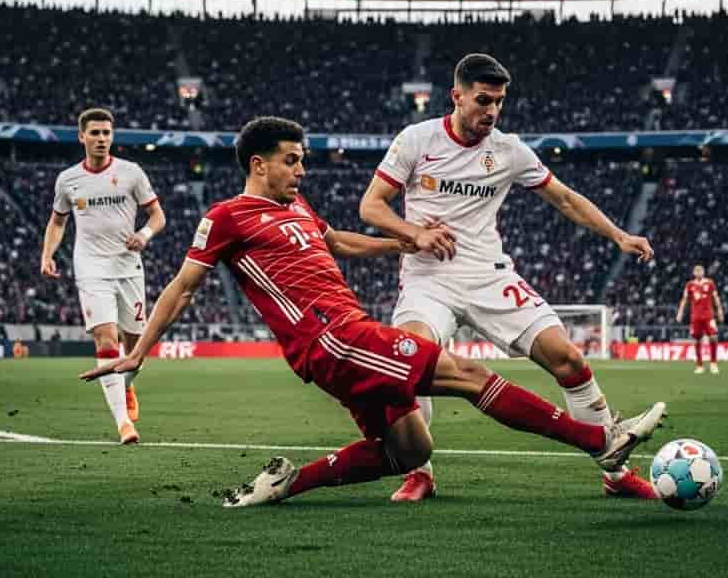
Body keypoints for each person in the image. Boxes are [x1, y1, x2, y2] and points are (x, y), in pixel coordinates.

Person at [82, 117, 667, 508]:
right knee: (467, 374)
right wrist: (139, 352)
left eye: (303, 160)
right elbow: (182, 288)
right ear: (259, 164)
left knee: (410, 450)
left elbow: (339, 242)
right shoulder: (228, 216)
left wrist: (403, 241)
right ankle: (599, 443)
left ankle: (288, 482)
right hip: (330, 338)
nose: (302, 170)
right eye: (292, 161)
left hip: (345, 337)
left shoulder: (300, 206)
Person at [358, 54, 660, 502]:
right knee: (412, 363)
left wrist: (618, 235)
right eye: (483, 100)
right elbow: (372, 206)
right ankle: (419, 471)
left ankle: (615, 471)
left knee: (569, 360)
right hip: (428, 281)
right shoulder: (416, 140)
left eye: (499, 102)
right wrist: (415, 233)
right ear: (456, 96)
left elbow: (565, 199)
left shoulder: (508, 150)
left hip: (488, 276)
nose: (492, 111)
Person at [42, 108, 166, 444]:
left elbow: (157, 215)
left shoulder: (131, 173)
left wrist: (144, 235)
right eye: (94, 133)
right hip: (90, 267)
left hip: (128, 267)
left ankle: (126, 386)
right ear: (81, 136)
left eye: (106, 133)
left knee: (136, 346)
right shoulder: (68, 180)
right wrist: (48, 253)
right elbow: (58, 222)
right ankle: (124, 423)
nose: (101, 139)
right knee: (106, 339)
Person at [676, 264, 725, 375]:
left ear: (703, 272)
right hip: (696, 317)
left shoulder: (710, 283)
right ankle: (699, 365)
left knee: (713, 337)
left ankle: (713, 363)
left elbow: (715, 298)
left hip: (709, 316)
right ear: (694, 273)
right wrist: (680, 312)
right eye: (696, 271)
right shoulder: (690, 285)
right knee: (697, 340)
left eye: (700, 270)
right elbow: (684, 299)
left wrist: (720, 311)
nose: (698, 272)